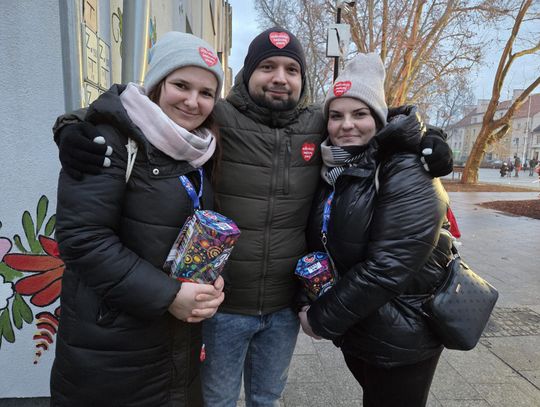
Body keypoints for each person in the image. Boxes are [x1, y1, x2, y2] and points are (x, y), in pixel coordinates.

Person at [53, 27, 454, 407]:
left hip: (283, 309)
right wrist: (72, 127)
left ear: (302, 80)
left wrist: (428, 137)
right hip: (223, 306)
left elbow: (371, 118)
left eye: (291, 69)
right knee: (217, 400)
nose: (280, 78)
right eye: (267, 66)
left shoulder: (318, 123)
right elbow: (134, 110)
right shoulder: (217, 117)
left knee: (267, 399)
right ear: (247, 73)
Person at [51, 32, 226, 406]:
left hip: (174, 345)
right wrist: (169, 295)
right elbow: (82, 239)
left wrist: (206, 280)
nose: (192, 101)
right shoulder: (109, 140)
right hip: (112, 349)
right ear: (158, 83)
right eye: (181, 85)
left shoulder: (199, 148)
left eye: (206, 92)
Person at [299, 53, 453, 407]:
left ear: (379, 118)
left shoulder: (406, 168)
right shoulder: (337, 170)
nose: (346, 125)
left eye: (360, 114)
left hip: (403, 336)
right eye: (336, 116)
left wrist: (320, 319)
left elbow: (389, 266)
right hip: (361, 327)